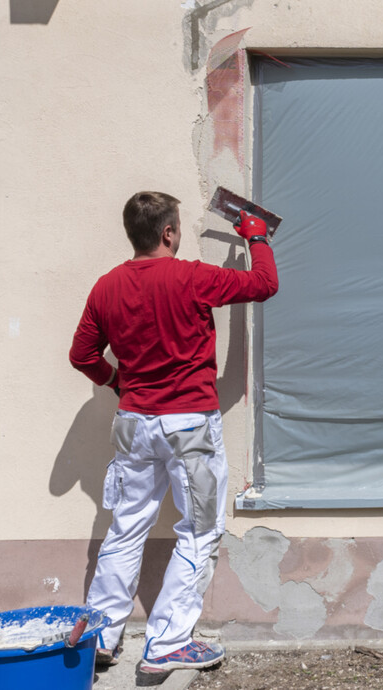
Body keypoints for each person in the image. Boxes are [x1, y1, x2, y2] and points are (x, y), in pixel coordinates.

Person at [69, 191, 278, 674]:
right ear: (168, 233)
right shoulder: (191, 277)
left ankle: (100, 636)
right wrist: (257, 237)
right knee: (201, 531)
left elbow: (82, 355)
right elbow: (264, 284)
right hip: (188, 428)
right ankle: (166, 644)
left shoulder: (107, 287)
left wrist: (118, 381)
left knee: (125, 530)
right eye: (178, 227)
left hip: (134, 425)